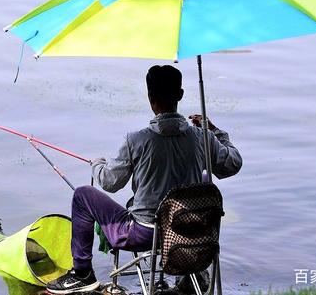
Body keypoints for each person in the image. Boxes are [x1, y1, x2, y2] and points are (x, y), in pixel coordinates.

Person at [46, 65, 242, 294]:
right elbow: (233, 164)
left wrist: (96, 165)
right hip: (191, 231)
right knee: (205, 177)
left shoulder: (136, 140)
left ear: (150, 97)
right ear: (180, 95)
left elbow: (110, 182)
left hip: (145, 233)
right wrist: (214, 130)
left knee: (82, 195)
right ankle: (194, 272)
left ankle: (82, 274)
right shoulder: (203, 137)